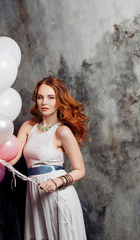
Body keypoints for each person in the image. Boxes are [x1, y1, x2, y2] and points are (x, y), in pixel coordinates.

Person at [10, 77, 89, 240]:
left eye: (50, 97)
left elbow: (80, 170)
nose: (44, 102)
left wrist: (56, 182)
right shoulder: (27, 127)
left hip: (59, 196)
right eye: (40, 97)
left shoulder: (63, 132)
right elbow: (11, 160)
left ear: (59, 100)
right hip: (35, 196)